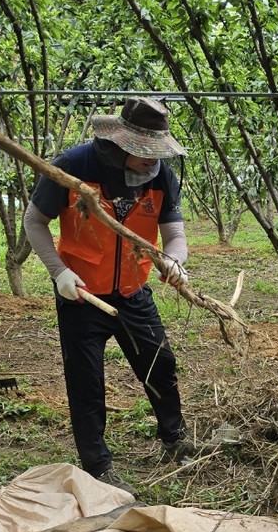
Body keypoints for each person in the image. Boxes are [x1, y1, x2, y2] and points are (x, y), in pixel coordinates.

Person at [24, 97, 195, 493]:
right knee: (86, 382)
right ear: (120, 145)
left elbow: (175, 233)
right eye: (143, 155)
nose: (151, 163)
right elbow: (34, 221)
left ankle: (174, 438)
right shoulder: (73, 167)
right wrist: (60, 273)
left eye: (157, 154)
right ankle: (97, 465)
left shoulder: (160, 176)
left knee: (159, 363)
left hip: (133, 291)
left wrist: (175, 261)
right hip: (81, 295)